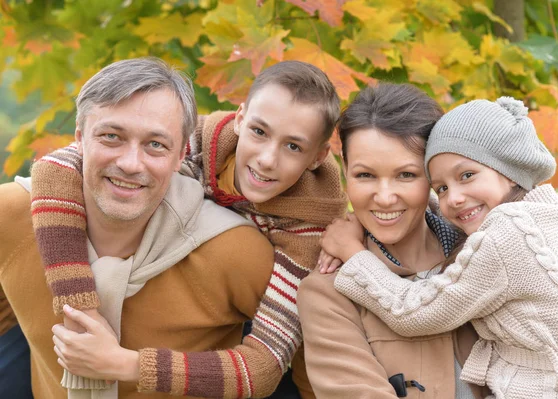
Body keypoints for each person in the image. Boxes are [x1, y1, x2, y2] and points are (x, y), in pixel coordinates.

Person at [30, 60, 347, 398]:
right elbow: (54, 166)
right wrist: (82, 313)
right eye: (259, 131)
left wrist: (126, 364)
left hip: (255, 297)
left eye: (293, 146)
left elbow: (263, 369)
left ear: (318, 156)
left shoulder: (308, 234)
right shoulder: (200, 140)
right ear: (240, 119)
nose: (268, 158)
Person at [323, 97, 558, 397]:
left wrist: (352, 252)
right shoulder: (538, 216)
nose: (453, 198)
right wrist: (377, 217)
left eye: (466, 176)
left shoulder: (504, 239)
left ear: (509, 170)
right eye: (440, 188)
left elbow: (414, 313)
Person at [297, 84, 490, 398]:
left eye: (406, 175)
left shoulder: (485, 254)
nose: (384, 198)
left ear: (432, 173)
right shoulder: (327, 294)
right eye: (365, 175)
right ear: (345, 171)